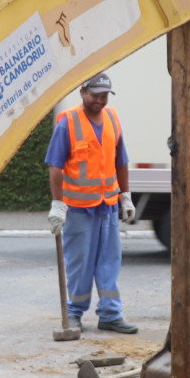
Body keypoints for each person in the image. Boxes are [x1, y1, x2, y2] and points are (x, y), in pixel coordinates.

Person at [46, 73, 138, 334]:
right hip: (78, 208)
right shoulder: (68, 123)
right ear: (83, 92)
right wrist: (57, 204)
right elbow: (55, 167)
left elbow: (121, 160)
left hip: (107, 205)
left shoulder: (112, 118)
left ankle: (110, 314)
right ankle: (74, 313)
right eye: (95, 95)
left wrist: (125, 195)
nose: (100, 100)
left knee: (110, 262)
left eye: (104, 95)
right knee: (80, 263)